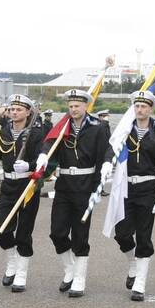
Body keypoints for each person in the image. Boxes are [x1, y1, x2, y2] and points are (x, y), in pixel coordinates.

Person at [40, 89, 111, 297]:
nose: (73, 109)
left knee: (80, 234)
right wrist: (43, 157)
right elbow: (50, 144)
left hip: (85, 184)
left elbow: (104, 154)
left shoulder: (99, 127)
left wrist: (99, 185)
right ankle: (70, 269)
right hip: (64, 185)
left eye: (77, 106)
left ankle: (79, 278)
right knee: (57, 232)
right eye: (70, 106)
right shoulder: (63, 126)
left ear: (86, 106)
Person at [0, 94, 44, 292]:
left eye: (19, 109)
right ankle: (12, 261)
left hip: (28, 187)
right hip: (8, 186)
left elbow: (44, 158)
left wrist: (30, 166)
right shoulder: (3, 133)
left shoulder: (36, 133)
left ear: (28, 112)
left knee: (24, 232)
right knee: (2, 230)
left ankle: (21, 274)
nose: (14, 113)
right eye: (12, 109)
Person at [113, 90, 155, 302]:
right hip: (125, 189)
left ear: (151, 109)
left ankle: (140, 284)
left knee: (144, 236)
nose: (140, 110)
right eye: (137, 106)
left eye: (144, 106)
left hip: (148, 188)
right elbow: (111, 154)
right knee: (121, 233)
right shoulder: (123, 131)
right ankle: (132, 264)